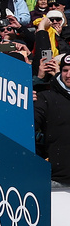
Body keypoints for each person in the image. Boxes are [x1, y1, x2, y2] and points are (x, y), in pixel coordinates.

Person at [36, 54, 70, 185]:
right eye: (65, 70)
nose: (68, 75)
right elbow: (29, 125)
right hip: (58, 180)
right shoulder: (46, 98)